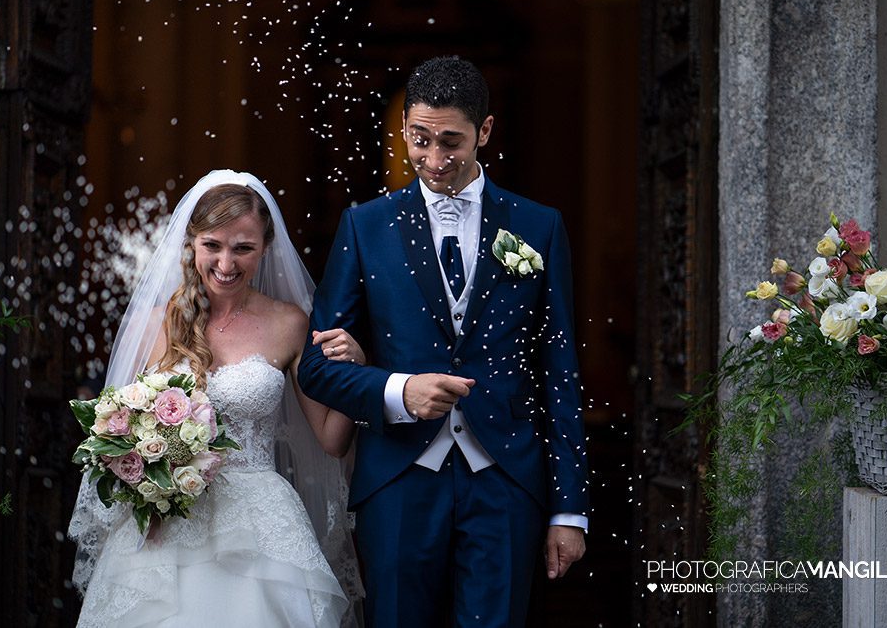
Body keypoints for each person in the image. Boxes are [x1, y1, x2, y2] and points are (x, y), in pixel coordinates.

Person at [298, 56, 588, 627]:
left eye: (451, 141)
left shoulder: (539, 226)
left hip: (505, 479)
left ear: (484, 131)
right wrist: (397, 389)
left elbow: (559, 368)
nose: (434, 160)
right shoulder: (366, 226)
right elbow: (315, 367)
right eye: (419, 139)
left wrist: (570, 510)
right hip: (398, 480)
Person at [68, 170, 366, 628]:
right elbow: (116, 429)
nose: (226, 262)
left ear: (265, 247)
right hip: (167, 522)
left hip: (262, 522)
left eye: (243, 247)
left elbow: (331, 439)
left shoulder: (290, 323)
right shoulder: (156, 324)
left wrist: (355, 374)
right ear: (192, 243)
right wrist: (145, 463)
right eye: (213, 245)